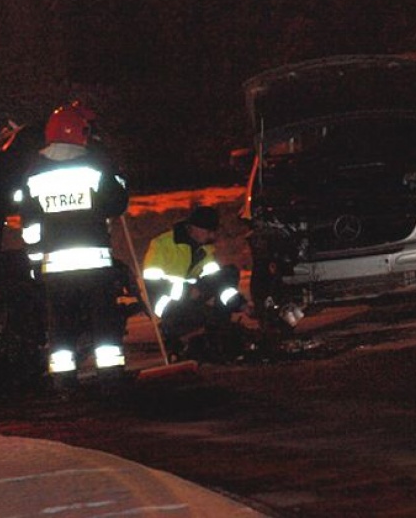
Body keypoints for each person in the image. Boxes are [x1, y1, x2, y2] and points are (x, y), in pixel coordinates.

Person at [18, 101, 130, 390]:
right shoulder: (94, 167)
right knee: (102, 319)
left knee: (61, 323)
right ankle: (110, 377)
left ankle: (64, 379)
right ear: (79, 132)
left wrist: (34, 262)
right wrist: (116, 174)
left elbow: (30, 225)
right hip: (94, 263)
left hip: (55, 267)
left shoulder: (33, 174)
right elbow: (117, 204)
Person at [142, 205, 247, 362]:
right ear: (192, 228)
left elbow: (217, 284)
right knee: (207, 317)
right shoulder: (162, 245)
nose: (211, 235)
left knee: (228, 273)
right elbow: (152, 284)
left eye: (213, 231)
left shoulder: (205, 250)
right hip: (166, 304)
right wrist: (188, 291)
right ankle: (184, 335)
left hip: (191, 300)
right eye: (208, 231)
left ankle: (217, 332)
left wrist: (240, 304)